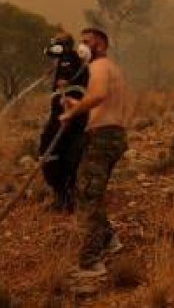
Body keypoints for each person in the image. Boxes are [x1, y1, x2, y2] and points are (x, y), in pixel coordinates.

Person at [59, 28, 128, 277]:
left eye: (87, 41)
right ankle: (110, 240)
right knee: (92, 193)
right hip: (113, 136)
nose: (82, 46)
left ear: (101, 44)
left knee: (86, 195)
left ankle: (91, 261)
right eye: (81, 41)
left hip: (101, 138)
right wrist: (77, 105)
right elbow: (102, 102)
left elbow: (98, 96)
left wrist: (71, 113)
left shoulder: (98, 66)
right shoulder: (111, 67)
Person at [40, 32, 89, 213]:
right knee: (66, 152)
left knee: (51, 149)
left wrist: (63, 82)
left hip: (67, 113)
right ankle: (66, 195)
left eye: (56, 44)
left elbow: (65, 81)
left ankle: (64, 195)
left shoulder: (68, 58)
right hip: (71, 114)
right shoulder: (68, 60)